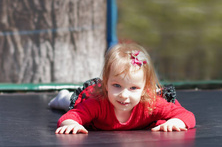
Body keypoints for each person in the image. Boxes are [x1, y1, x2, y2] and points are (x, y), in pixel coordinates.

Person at [51, 43, 195, 134]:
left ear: (145, 89)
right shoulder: (97, 103)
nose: (124, 95)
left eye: (133, 88)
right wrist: (71, 124)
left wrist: (175, 122)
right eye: (117, 86)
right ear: (106, 83)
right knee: (71, 103)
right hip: (90, 102)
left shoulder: (151, 104)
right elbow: (70, 116)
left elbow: (187, 115)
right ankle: (63, 96)